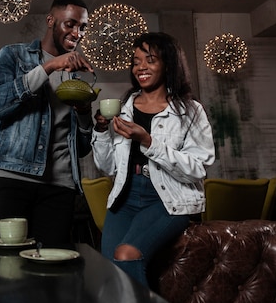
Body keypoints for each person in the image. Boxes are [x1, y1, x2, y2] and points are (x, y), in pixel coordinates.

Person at [91, 32, 215, 286]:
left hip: (168, 199)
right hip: (124, 196)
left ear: (168, 63)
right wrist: (101, 131)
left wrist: (149, 141)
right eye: (136, 62)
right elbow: (107, 166)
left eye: (150, 60)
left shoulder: (189, 111)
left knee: (126, 255)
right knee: (109, 273)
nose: (141, 68)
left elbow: (197, 169)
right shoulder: (125, 105)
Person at [0, 0, 96, 245]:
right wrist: (49, 67)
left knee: (52, 272)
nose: (77, 33)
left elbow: (82, 149)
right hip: (10, 178)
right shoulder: (13, 56)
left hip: (60, 187)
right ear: (51, 20)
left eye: (82, 27)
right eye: (70, 24)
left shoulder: (76, 78)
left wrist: (85, 115)